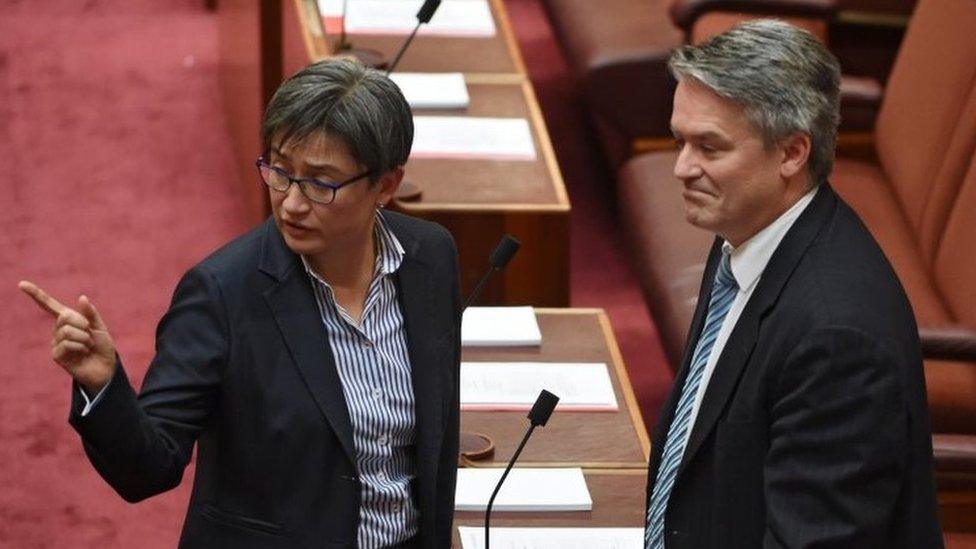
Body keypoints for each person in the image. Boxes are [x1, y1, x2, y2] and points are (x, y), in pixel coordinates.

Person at [20, 58, 460, 549]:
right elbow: (149, 470)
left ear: (385, 185)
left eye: (319, 183)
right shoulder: (221, 293)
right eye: (280, 171)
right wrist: (103, 384)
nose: (291, 202)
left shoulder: (429, 259)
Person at [643, 20, 942, 548]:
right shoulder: (748, 228)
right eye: (679, 141)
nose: (682, 168)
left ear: (791, 153)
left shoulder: (837, 339)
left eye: (709, 148)